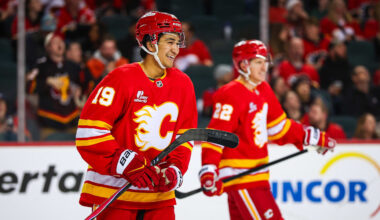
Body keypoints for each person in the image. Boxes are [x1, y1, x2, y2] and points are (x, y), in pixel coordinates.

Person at [76, 11, 198, 219]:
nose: (176, 50)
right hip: (114, 192)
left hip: (159, 197)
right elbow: (89, 133)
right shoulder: (120, 78)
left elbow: (183, 138)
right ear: (150, 44)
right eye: (170, 42)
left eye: (178, 43)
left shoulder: (183, 84)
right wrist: (125, 161)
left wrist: (175, 170)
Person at [199, 40, 336, 220]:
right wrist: (209, 169)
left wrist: (311, 136)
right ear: (243, 64)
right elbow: (216, 135)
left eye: (265, 61)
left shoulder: (263, 89)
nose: (265, 67)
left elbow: (280, 128)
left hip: (257, 176)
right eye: (258, 62)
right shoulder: (230, 94)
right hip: (241, 177)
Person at [27, 33, 82, 140]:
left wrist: (79, 92)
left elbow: (85, 87)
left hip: (73, 123)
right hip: (49, 125)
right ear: (47, 47)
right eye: (55, 42)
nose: (59, 44)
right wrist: (47, 81)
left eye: (61, 41)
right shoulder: (40, 66)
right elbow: (28, 87)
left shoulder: (73, 66)